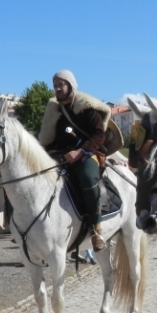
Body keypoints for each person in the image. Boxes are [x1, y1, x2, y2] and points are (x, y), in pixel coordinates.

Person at [39, 69, 110, 252]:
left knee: (87, 177)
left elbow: (98, 135)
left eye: (61, 84)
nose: (57, 88)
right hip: (62, 155)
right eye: (55, 85)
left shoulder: (87, 108)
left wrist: (80, 152)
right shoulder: (56, 112)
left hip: (87, 153)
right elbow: (51, 139)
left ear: (71, 85)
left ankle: (96, 229)